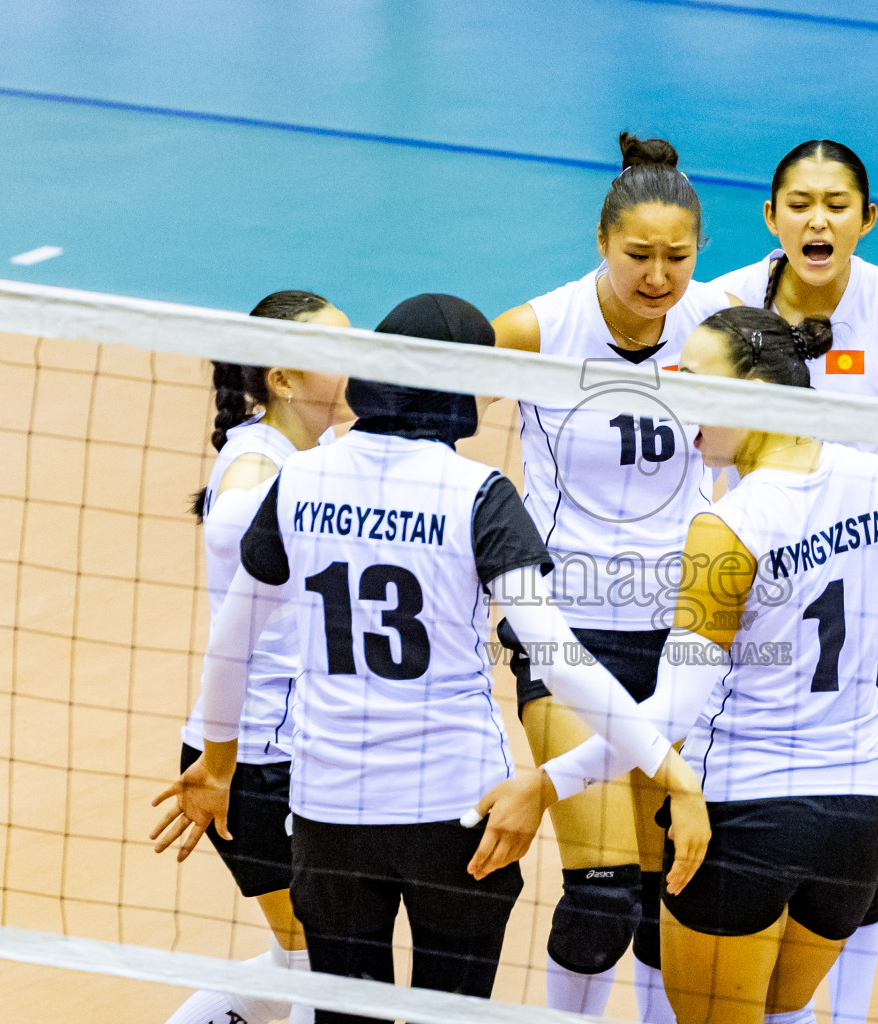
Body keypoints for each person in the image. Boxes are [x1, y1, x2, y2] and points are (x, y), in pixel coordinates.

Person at [152, 294, 709, 1024]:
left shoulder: (299, 480)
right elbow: (560, 658)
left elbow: (231, 643)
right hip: (454, 809)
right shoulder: (478, 493)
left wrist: (219, 760)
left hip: (329, 811)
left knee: (342, 1013)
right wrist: (670, 770)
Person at [532, 306, 878, 1024]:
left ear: (755, 390)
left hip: (746, 819)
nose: (683, 404)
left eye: (698, 384)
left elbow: (673, 714)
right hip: (852, 825)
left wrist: (546, 782)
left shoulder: (729, 526)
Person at [711, 140, 878, 1024]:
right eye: (798, 202)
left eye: (836, 204)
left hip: (862, 576)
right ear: (771, 216)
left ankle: (842, 1011)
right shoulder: (725, 306)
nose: (816, 220)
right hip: (751, 571)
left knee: (847, 786)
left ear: (867, 218)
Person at [491, 132, 739, 1019]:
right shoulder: (538, 329)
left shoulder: (721, 328)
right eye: (639, 255)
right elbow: (417, 403)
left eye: (677, 256)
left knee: (662, 903)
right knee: (597, 903)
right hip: (569, 634)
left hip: (682, 637)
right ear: (603, 242)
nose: (658, 277)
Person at [160, 289, 351, 1024]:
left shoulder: (320, 447)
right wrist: (218, 763)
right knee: (319, 965)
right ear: (283, 378)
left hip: (304, 749)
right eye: (336, 350)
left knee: (311, 956)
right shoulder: (256, 468)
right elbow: (234, 516)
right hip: (249, 760)